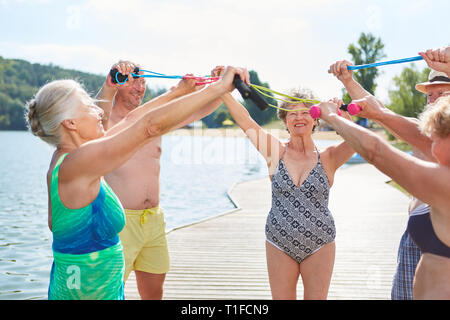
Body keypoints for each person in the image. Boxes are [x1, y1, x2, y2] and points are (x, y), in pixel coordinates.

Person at [26, 66, 249, 300]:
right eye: (89, 105)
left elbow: (135, 118)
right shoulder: (76, 164)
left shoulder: (70, 161)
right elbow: (148, 126)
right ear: (70, 123)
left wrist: (177, 91)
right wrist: (219, 87)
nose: (99, 111)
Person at [328, 45, 450, 299]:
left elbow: (376, 145)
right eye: (430, 94)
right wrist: (348, 81)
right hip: (417, 242)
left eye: (442, 92)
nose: (434, 98)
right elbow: (380, 112)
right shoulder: (426, 130)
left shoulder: (429, 138)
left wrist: (334, 119)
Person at [95, 61, 225, 300]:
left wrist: (221, 84)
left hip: (153, 221)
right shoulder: (104, 121)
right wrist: (109, 85)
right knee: (108, 294)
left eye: (143, 82)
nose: (139, 87)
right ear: (119, 82)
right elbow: (97, 128)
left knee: (154, 295)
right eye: (133, 80)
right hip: (119, 223)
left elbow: (201, 109)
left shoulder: (156, 117)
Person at [220, 79, 355, 299]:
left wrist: (341, 115)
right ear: (284, 120)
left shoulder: (329, 157)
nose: (299, 117)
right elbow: (247, 123)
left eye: (304, 112)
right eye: (292, 113)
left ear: (315, 118)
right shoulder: (275, 152)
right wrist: (222, 90)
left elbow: (357, 140)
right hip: (278, 243)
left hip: (320, 244)